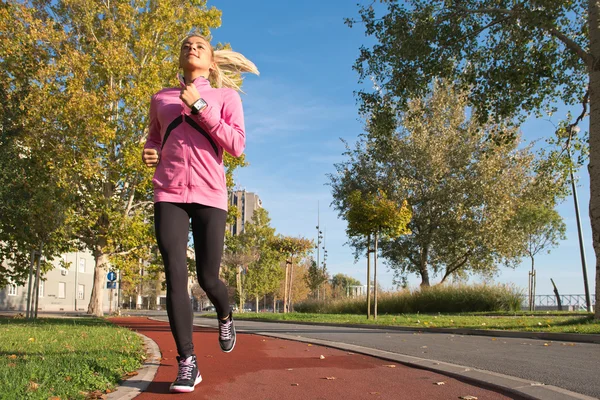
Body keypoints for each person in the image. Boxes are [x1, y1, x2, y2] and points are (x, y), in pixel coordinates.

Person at [142, 34, 258, 393]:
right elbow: (154, 138)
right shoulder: (160, 98)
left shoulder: (226, 97)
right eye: (186, 46)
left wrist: (201, 108)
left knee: (208, 279)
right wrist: (150, 152)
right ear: (180, 58)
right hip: (169, 193)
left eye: (199, 47)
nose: (191, 49)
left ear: (211, 62)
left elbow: (236, 145)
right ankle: (188, 362)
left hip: (210, 195)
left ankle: (225, 314)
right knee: (176, 275)